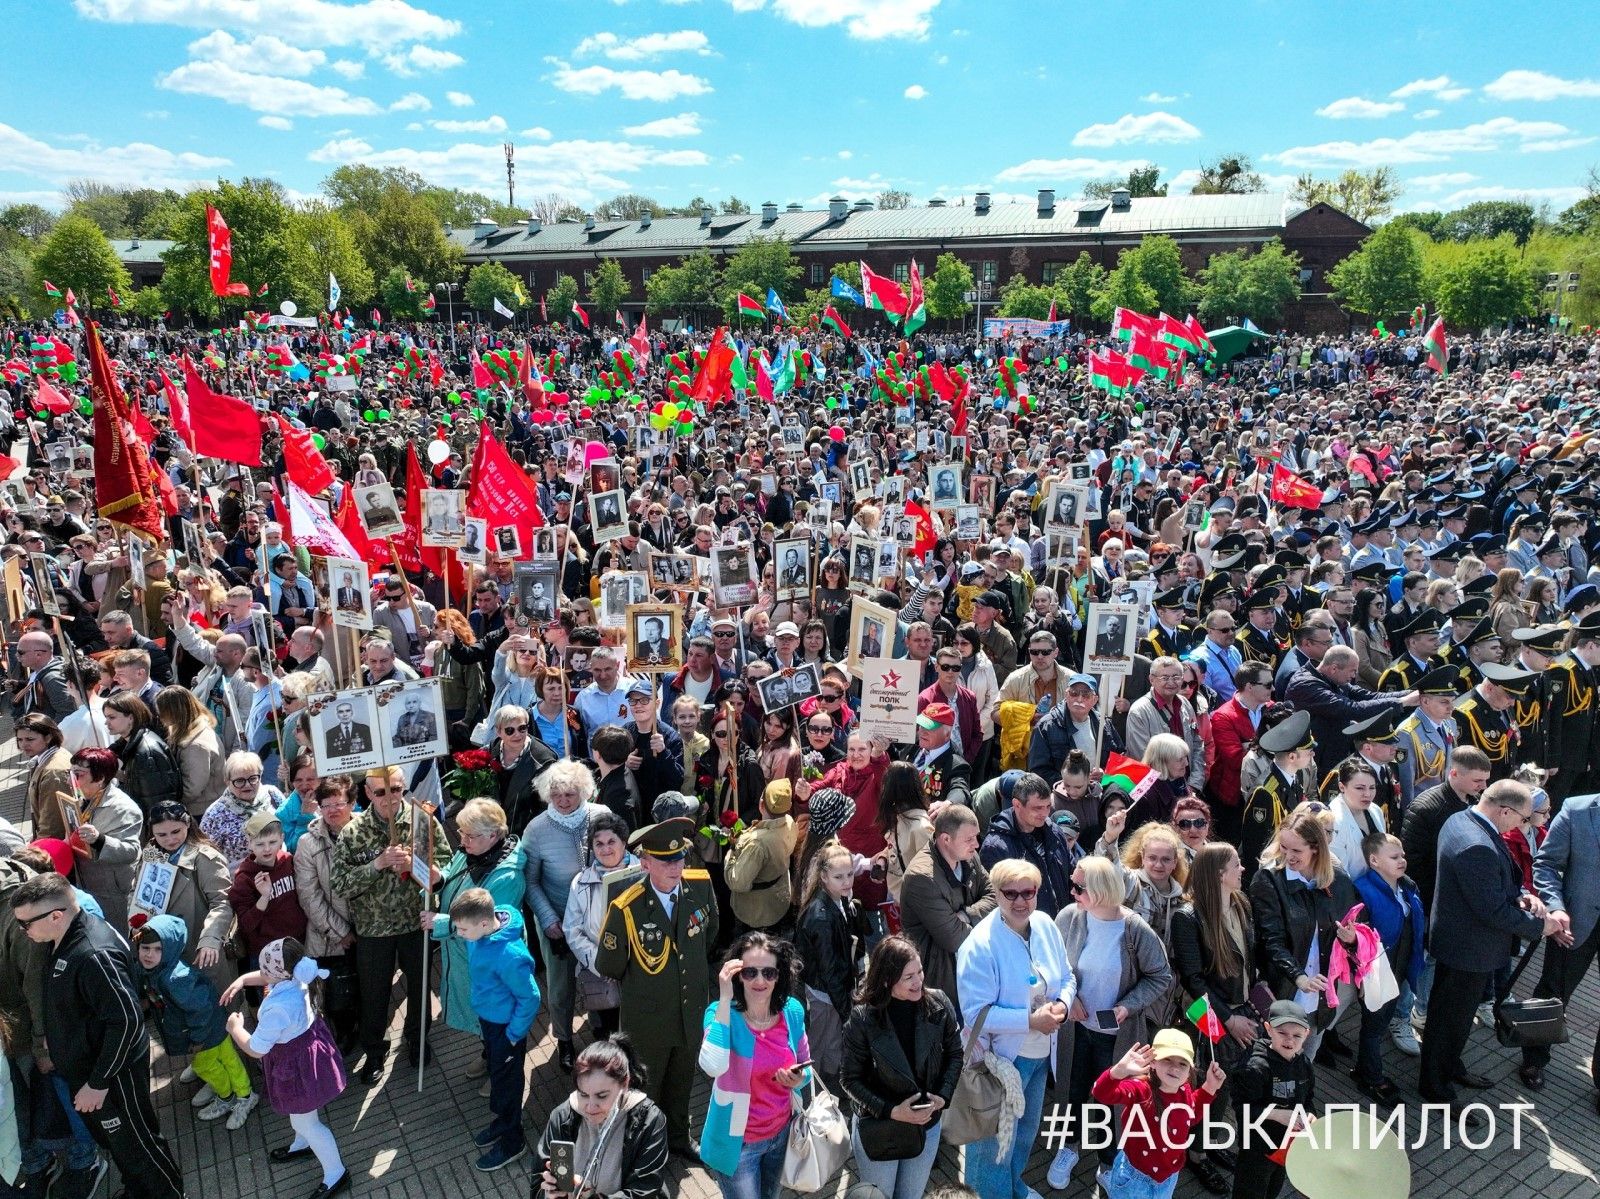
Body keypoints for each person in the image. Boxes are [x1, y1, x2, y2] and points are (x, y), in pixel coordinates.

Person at [9, 872, 185, 1199]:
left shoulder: (92, 954)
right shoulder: (60, 940)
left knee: (139, 1145)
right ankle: (138, 1191)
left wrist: (98, 1083)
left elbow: (127, 1022)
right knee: (119, 1146)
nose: (23, 931)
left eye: (25, 924)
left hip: (110, 1080)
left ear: (56, 916)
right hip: (90, 1074)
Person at [1419, 779, 1557, 1122]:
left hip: (1464, 942)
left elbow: (1493, 887)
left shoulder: (1463, 819)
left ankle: (1450, 1066)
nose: (1523, 825)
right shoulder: (1476, 844)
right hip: (1468, 950)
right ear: (1505, 810)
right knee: (1448, 1019)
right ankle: (1436, 1088)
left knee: (1455, 1018)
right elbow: (1491, 910)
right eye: (1524, 819)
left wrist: (1520, 896)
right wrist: (1542, 926)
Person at [1048, 855, 1175, 1189]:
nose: (1071, 891)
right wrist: (1068, 997)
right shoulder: (1069, 918)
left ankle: (1107, 1162)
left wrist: (1127, 1006)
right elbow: (1054, 967)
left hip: (1117, 1037)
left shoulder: (1135, 930)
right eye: (1071, 883)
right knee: (1070, 1092)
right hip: (1075, 1032)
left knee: (1111, 1102)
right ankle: (1068, 1146)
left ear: (1102, 890)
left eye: (1079, 886)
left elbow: (1161, 976)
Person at [596, 817, 719, 1160]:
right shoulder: (626, 906)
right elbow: (608, 965)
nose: (676, 867)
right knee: (645, 1088)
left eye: (679, 858)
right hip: (648, 1021)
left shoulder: (700, 886)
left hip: (690, 1010)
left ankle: (679, 1137)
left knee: (682, 1080)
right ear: (645, 863)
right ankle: (648, 1151)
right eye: (666, 861)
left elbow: (710, 935)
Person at [957, 858, 1073, 1199]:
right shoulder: (979, 945)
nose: (1021, 901)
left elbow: (1067, 975)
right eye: (1011, 893)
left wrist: (1063, 1006)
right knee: (992, 1144)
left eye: (1029, 892)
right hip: (1001, 1061)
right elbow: (975, 1015)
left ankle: (1014, 1187)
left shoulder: (1046, 925)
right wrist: (1029, 1020)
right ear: (996, 892)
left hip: (1039, 1056)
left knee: (1023, 1134)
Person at [330, 765, 452, 1085]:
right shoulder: (353, 833)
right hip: (374, 930)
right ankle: (373, 1050)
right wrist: (377, 864)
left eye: (396, 790)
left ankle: (417, 1039)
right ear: (368, 793)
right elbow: (340, 885)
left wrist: (418, 867)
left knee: (420, 987)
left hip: (416, 922)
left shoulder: (422, 823)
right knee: (374, 993)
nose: (390, 798)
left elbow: (445, 871)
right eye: (381, 792)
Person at [222, 937, 351, 1199]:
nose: (262, 975)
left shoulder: (278, 1008)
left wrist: (236, 1029)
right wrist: (243, 980)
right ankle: (302, 1143)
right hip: (306, 1055)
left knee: (308, 1122)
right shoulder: (299, 976)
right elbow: (268, 975)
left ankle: (336, 1174)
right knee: (303, 1114)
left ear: (280, 974)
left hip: (295, 1067)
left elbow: (256, 1048)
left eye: (266, 971)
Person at [839, 935, 962, 1199]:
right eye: (908, 977)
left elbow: (954, 1053)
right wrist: (893, 1111)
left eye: (919, 971)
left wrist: (943, 1096)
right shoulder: (863, 1018)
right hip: (881, 1127)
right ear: (886, 979)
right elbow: (850, 1079)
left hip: (926, 1126)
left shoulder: (938, 1003)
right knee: (880, 1195)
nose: (919, 981)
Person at [697, 931, 811, 1199]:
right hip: (739, 1145)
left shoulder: (791, 1011)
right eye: (750, 973)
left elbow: (805, 1066)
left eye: (769, 973)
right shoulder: (720, 1013)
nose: (760, 981)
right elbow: (711, 1066)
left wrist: (799, 1078)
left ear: (779, 975)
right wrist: (725, 997)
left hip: (782, 1135)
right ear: (737, 975)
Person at [1248, 806, 1360, 1063]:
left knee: (1303, 1065)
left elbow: (1354, 929)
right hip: (1284, 992)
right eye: (1284, 847)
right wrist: (1298, 977)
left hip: (1319, 998)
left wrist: (1351, 939)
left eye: (1296, 850)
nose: (1288, 856)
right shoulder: (1269, 880)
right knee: (1270, 1066)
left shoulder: (1338, 880)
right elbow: (1271, 941)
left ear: (1316, 849)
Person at [427, 798, 526, 1079]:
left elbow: (487, 926)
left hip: (488, 964)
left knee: (496, 1020)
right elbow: (454, 872)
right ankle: (489, 1054)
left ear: (493, 836)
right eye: (461, 833)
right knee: (482, 1019)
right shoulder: (474, 849)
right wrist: (439, 878)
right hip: (466, 959)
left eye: (470, 836)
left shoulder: (507, 876)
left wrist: (442, 923)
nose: (463, 840)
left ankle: (502, 1075)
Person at [134, 913, 259, 1132]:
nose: (149, 955)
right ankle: (245, 1094)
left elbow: (199, 1009)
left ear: (170, 949)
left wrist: (198, 1039)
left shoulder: (174, 979)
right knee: (228, 1058)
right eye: (145, 948)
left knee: (205, 1065)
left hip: (204, 1031)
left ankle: (227, 1096)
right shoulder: (163, 969)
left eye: (157, 949)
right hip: (215, 1024)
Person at [446, 887, 541, 1172]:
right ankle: (503, 1124)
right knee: (499, 1077)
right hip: (490, 1021)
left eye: (463, 930)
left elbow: (531, 997)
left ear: (485, 924)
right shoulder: (483, 927)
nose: (460, 935)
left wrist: (513, 1035)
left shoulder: (509, 955)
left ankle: (513, 1141)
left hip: (505, 1030)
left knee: (506, 1084)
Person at [524, 764, 601, 1072]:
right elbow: (529, 881)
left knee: (601, 976)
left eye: (570, 794)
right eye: (556, 794)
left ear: (583, 792)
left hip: (597, 918)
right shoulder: (537, 829)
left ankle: (600, 1029)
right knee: (560, 988)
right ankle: (565, 1039)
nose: (563, 801)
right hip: (557, 921)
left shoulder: (601, 815)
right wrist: (547, 919)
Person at [1090, 1034, 1226, 1199]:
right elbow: (1101, 1093)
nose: (1175, 1068)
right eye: (1167, 1060)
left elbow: (1191, 1116)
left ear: (1189, 1071)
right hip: (1133, 1177)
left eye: (1182, 1064)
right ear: (1152, 1062)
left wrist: (1210, 1087)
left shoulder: (1185, 1091)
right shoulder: (1140, 1089)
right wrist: (1118, 1071)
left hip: (1168, 1178)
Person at [534, 1034, 669, 1199]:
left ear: (625, 1084)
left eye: (602, 1095)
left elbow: (644, 1191)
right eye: (583, 1094)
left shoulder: (649, 1120)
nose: (590, 1107)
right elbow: (537, 1185)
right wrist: (551, 1194)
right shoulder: (562, 1116)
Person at [1350, 833, 1424, 1106]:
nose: (1402, 860)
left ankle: (1364, 1068)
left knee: (1380, 1024)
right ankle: (1370, 1078)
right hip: (1376, 974)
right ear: (1374, 860)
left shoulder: (1406, 885)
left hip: (1400, 969)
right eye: (1394, 857)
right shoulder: (1362, 890)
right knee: (1372, 1028)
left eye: (1402, 855)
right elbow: (1358, 940)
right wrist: (1361, 980)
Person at [899, 804, 996, 1011]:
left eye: (976, 837)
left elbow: (995, 897)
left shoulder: (969, 856)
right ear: (945, 839)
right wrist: (986, 926)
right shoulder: (922, 878)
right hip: (939, 985)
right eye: (969, 839)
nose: (976, 845)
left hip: (969, 974)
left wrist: (966, 915)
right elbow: (954, 938)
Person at [794, 840, 871, 1093]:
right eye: (839, 876)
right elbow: (830, 970)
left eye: (850, 874)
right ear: (824, 877)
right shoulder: (821, 916)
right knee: (822, 1041)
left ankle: (828, 1083)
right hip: (825, 993)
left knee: (831, 1040)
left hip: (833, 988)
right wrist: (846, 1008)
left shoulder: (839, 900)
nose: (847, 881)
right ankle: (815, 1088)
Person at [292, 779, 361, 1053]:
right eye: (326, 805)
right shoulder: (308, 843)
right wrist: (340, 932)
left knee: (369, 989)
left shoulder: (367, 831)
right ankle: (344, 1035)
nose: (333, 811)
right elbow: (309, 896)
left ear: (352, 803)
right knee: (338, 997)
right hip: (330, 937)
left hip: (369, 927)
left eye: (339, 803)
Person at [1230, 1001, 1316, 1199]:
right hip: (1256, 1149)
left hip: (1287, 1147)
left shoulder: (1303, 1063)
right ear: (1268, 1029)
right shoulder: (1254, 1067)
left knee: (1273, 1190)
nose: (1290, 1040)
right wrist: (1276, 1114)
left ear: (1307, 1035)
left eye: (1297, 1035)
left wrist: (1310, 1115)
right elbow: (1242, 1109)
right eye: (1282, 1033)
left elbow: (1308, 1099)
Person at [563, 811, 637, 1041]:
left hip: (642, 968)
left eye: (612, 842)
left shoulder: (646, 872)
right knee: (611, 1034)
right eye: (599, 844)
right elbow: (572, 930)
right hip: (603, 973)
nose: (606, 849)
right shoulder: (581, 882)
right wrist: (601, 963)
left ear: (624, 842)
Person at [63, 747, 142, 932]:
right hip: (85, 883)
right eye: (70, 773)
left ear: (100, 778)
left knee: (116, 935)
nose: (70, 781)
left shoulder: (124, 809)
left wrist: (100, 840)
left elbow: (131, 851)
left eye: (78, 775)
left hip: (112, 890)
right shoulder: (79, 798)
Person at [978, 771, 1075, 916]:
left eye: (1048, 806)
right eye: (1037, 808)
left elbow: (1072, 874)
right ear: (1017, 804)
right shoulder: (996, 848)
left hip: (1060, 927)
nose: (1045, 814)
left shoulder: (1054, 832)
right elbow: (996, 901)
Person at [723, 780, 797, 935]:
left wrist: (732, 850)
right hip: (777, 901)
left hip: (755, 911)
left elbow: (737, 882)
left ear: (761, 805)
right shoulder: (790, 822)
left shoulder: (757, 844)